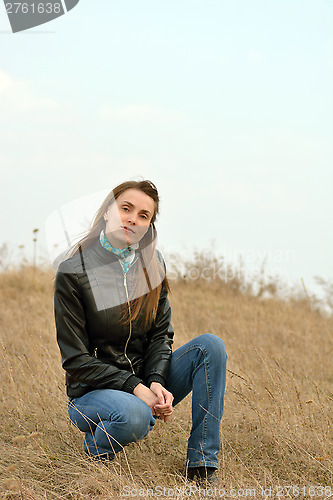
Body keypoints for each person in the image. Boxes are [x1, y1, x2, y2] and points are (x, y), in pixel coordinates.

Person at [54, 179, 227, 484]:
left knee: (210, 347)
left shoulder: (152, 264)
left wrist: (157, 381)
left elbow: (161, 335)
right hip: (92, 394)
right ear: (108, 212)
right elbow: (76, 361)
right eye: (126, 209)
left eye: (144, 215)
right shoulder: (74, 272)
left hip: (145, 382)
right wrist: (136, 387)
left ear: (148, 226)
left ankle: (201, 462)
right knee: (136, 415)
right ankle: (97, 448)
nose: (133, 219)